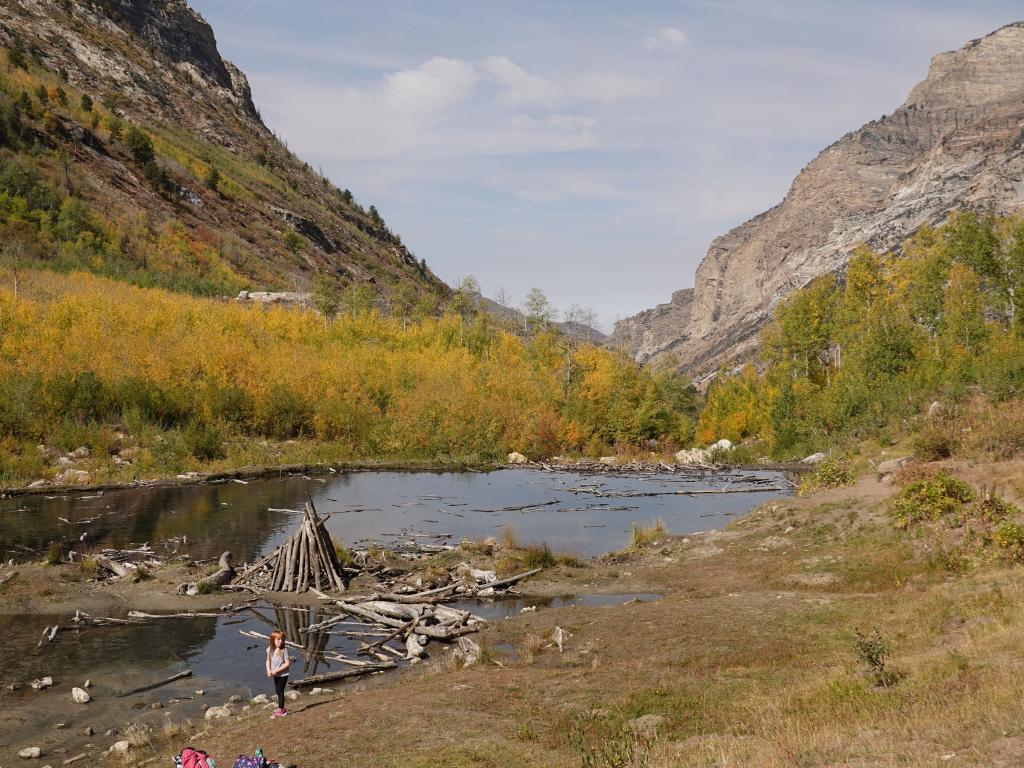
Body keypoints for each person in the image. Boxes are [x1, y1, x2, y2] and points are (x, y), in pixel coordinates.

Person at [265, 629, 291, 718]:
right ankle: (281, 708)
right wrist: (268, 670)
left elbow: (287, 663)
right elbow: (267, 661)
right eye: (278, 639)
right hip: (275, 675)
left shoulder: (284, 650)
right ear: (273, 640)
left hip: (283, 675)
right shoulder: (270, 650)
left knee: (280, 690)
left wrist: (277, 670)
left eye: (282, 639)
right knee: (277, 690)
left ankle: (281, 710)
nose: (281, 641)